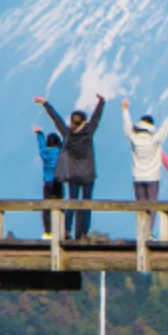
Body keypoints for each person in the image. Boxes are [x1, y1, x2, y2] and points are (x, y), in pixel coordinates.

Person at [35, 93, 105, 240]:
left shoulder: (67, 135)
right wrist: (101, 102)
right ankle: (83, 233)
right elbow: (97, 118)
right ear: (84, 123)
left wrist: (45, 103)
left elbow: (56, 120)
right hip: (88, 175)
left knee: (72, 202)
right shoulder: (88, 133)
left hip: (73, 175)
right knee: (86, 204)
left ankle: (67, 229)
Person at [122, 99, 168, 237]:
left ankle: (141, 231)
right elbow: (166, 127)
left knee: (140, 205)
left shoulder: (134, 139)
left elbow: (127, 126)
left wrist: (125, 110)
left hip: (137, 176)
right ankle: (149, 232)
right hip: (153, 177)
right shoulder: (155, 140)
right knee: (152, 205)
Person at [32, 125, 63, 239]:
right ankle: (59, 228)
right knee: (59, 206)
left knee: (46, 207)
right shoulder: (60, 152)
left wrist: (39, 134)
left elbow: (41, 145)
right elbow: (65, 143)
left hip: (47, 182)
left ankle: (47, 231)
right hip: (58, 181)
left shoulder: (44, 152)